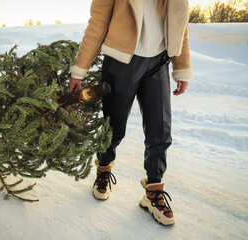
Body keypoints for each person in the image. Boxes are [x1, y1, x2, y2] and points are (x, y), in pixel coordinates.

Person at [68, 0, 193, 226]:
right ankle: (103, 170)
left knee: (160, 129)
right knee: (114, 127)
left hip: (159, 61)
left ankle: (153, 191)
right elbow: (98, 24)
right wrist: (80, 70)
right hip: (121, 62)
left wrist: (181, 67)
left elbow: (179, 25)